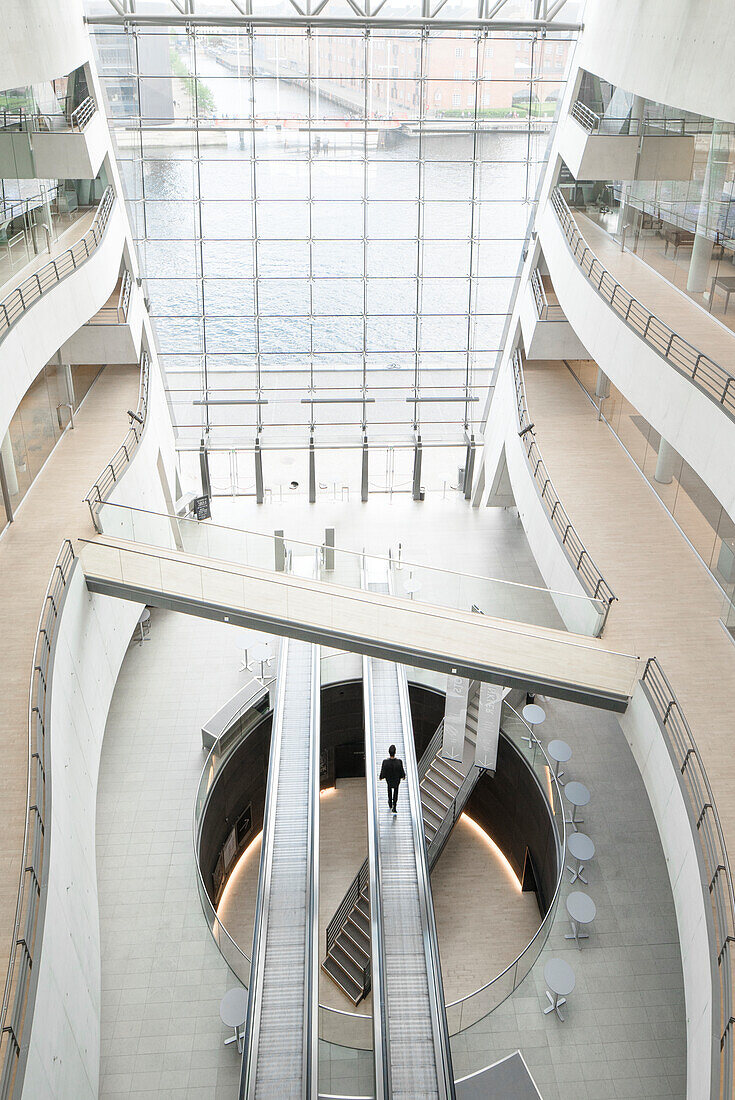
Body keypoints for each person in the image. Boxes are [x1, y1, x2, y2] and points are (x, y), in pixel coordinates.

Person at [379, 744, 406, 814]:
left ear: (389, 752)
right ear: (395, 752)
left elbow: (383, 771)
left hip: (389, 779)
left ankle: (390, 802)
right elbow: (401, 770)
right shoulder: (399, 762)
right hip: (396, 780)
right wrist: (403, 776)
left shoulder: (385, 762)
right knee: (396, 791)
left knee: (389, 789)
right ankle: (395, 805)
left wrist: (381, 776)